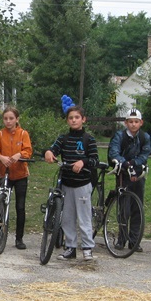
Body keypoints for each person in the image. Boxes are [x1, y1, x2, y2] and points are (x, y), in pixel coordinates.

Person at [44, 105, 99, 262]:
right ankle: (70, 247)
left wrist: (83, 162)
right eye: (71, 118)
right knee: (67, 217)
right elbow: (53, 149)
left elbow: (95, 160)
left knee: (84, 217)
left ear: (83, 119)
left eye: (77, 117)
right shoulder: (63, 139)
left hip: (82, 184)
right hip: (66, 184)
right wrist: (48, 153)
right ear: (67, 120)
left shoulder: (89, 139)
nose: (74, 120)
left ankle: (87, 248)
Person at [0, 106, 33, 250]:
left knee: (20, 206)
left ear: (17, 119)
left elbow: (28, 151)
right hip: (5, 174)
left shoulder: (23, 134)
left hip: (20, 175)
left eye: (11, 118)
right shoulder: (0, 134)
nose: (8, 121)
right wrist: (0, 156)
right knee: (1, 204)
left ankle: (19, 238)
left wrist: (20, 154)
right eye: (5, 118)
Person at [107, 108, 151, 251]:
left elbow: (145, 154)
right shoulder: (119, 136)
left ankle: (134, 241)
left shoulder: (145, 137)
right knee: (124, 208)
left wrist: (135, 163)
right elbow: (114, 152)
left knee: (137, 208)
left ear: (141, 123)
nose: (133, 124)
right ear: (126, 123)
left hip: (138, 174)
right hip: (123, 174)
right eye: (130, 122)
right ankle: (122, 239)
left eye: (136, 122)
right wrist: (124, 163)